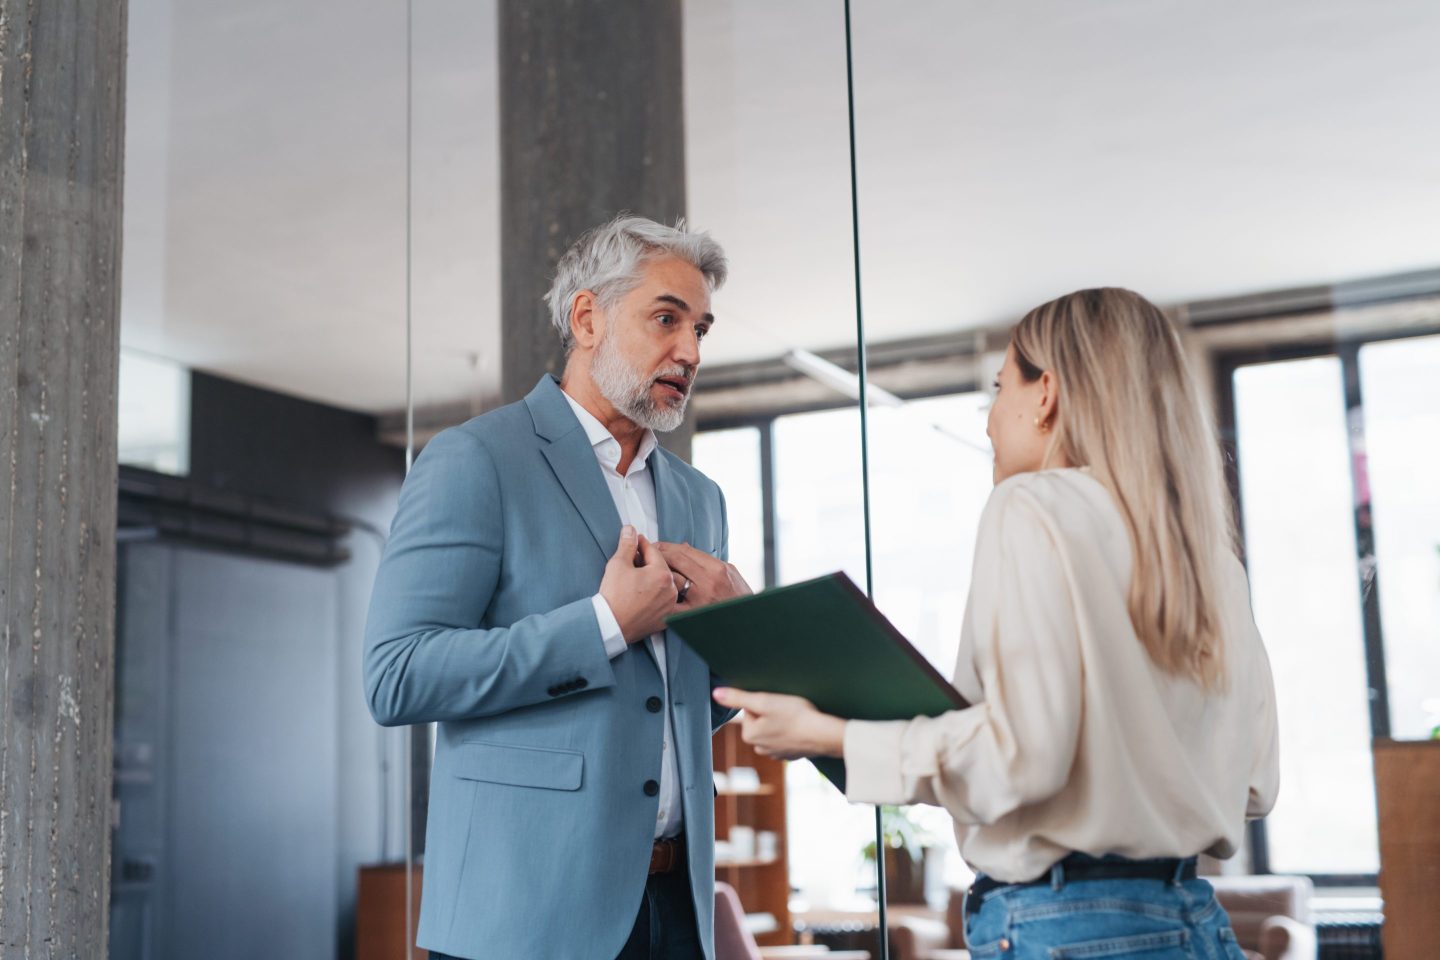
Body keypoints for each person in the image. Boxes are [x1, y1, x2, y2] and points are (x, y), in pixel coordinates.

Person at [716, 288, 1280, 960]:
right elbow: (1254, 783)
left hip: (1069, 930)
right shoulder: (1211, 558)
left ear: (1047, 394)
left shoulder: (1032, 507)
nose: (989, 419)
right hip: (1195, 925)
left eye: (998, 386)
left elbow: (1023, 757)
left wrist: (832, 735)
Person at [364, 214, 749, 960]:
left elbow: (667, 713)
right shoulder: (475, 460)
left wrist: (736, 644)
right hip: (524, 917)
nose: (691, 351)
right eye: (666, 319)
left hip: (677, 913)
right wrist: (605, 622)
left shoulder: (703, 500)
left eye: (701, 328)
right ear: (587, 318)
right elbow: (396, 675)